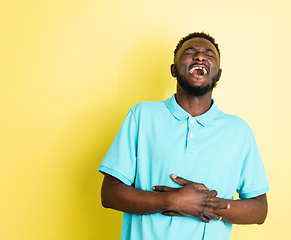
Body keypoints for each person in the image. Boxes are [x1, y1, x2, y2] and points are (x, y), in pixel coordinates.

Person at [99, 32, 270, 240]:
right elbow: (109, 193)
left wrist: (203, 204)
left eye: (209, 54)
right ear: (173, 69)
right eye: (190, 52)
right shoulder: (142, 115)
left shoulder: (238, 130)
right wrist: (172, 201)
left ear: (219, 74)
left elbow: (259, 209)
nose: (200, 56)